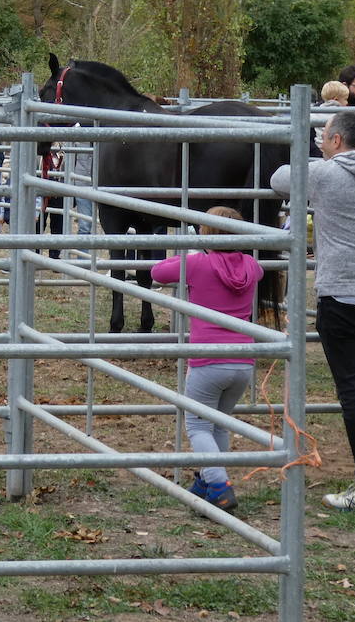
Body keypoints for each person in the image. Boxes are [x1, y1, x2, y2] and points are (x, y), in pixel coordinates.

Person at [270, 110, 355, 515]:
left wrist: (313, 159)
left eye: (324, 136)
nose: (321, 142)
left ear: (336, 142)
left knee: (353, 393)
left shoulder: (324, 175)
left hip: (342, 298)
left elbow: (279, 178)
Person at [150, 206, 264, 513]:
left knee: (198, 426)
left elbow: (158, 272)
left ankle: (219, 486)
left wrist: (191, 253)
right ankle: (204, 479)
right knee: (218, 426)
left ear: (206, 233)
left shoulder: (198, 264)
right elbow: (259, 270)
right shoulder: (252, 266)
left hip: (207, 358)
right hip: (243, 360)